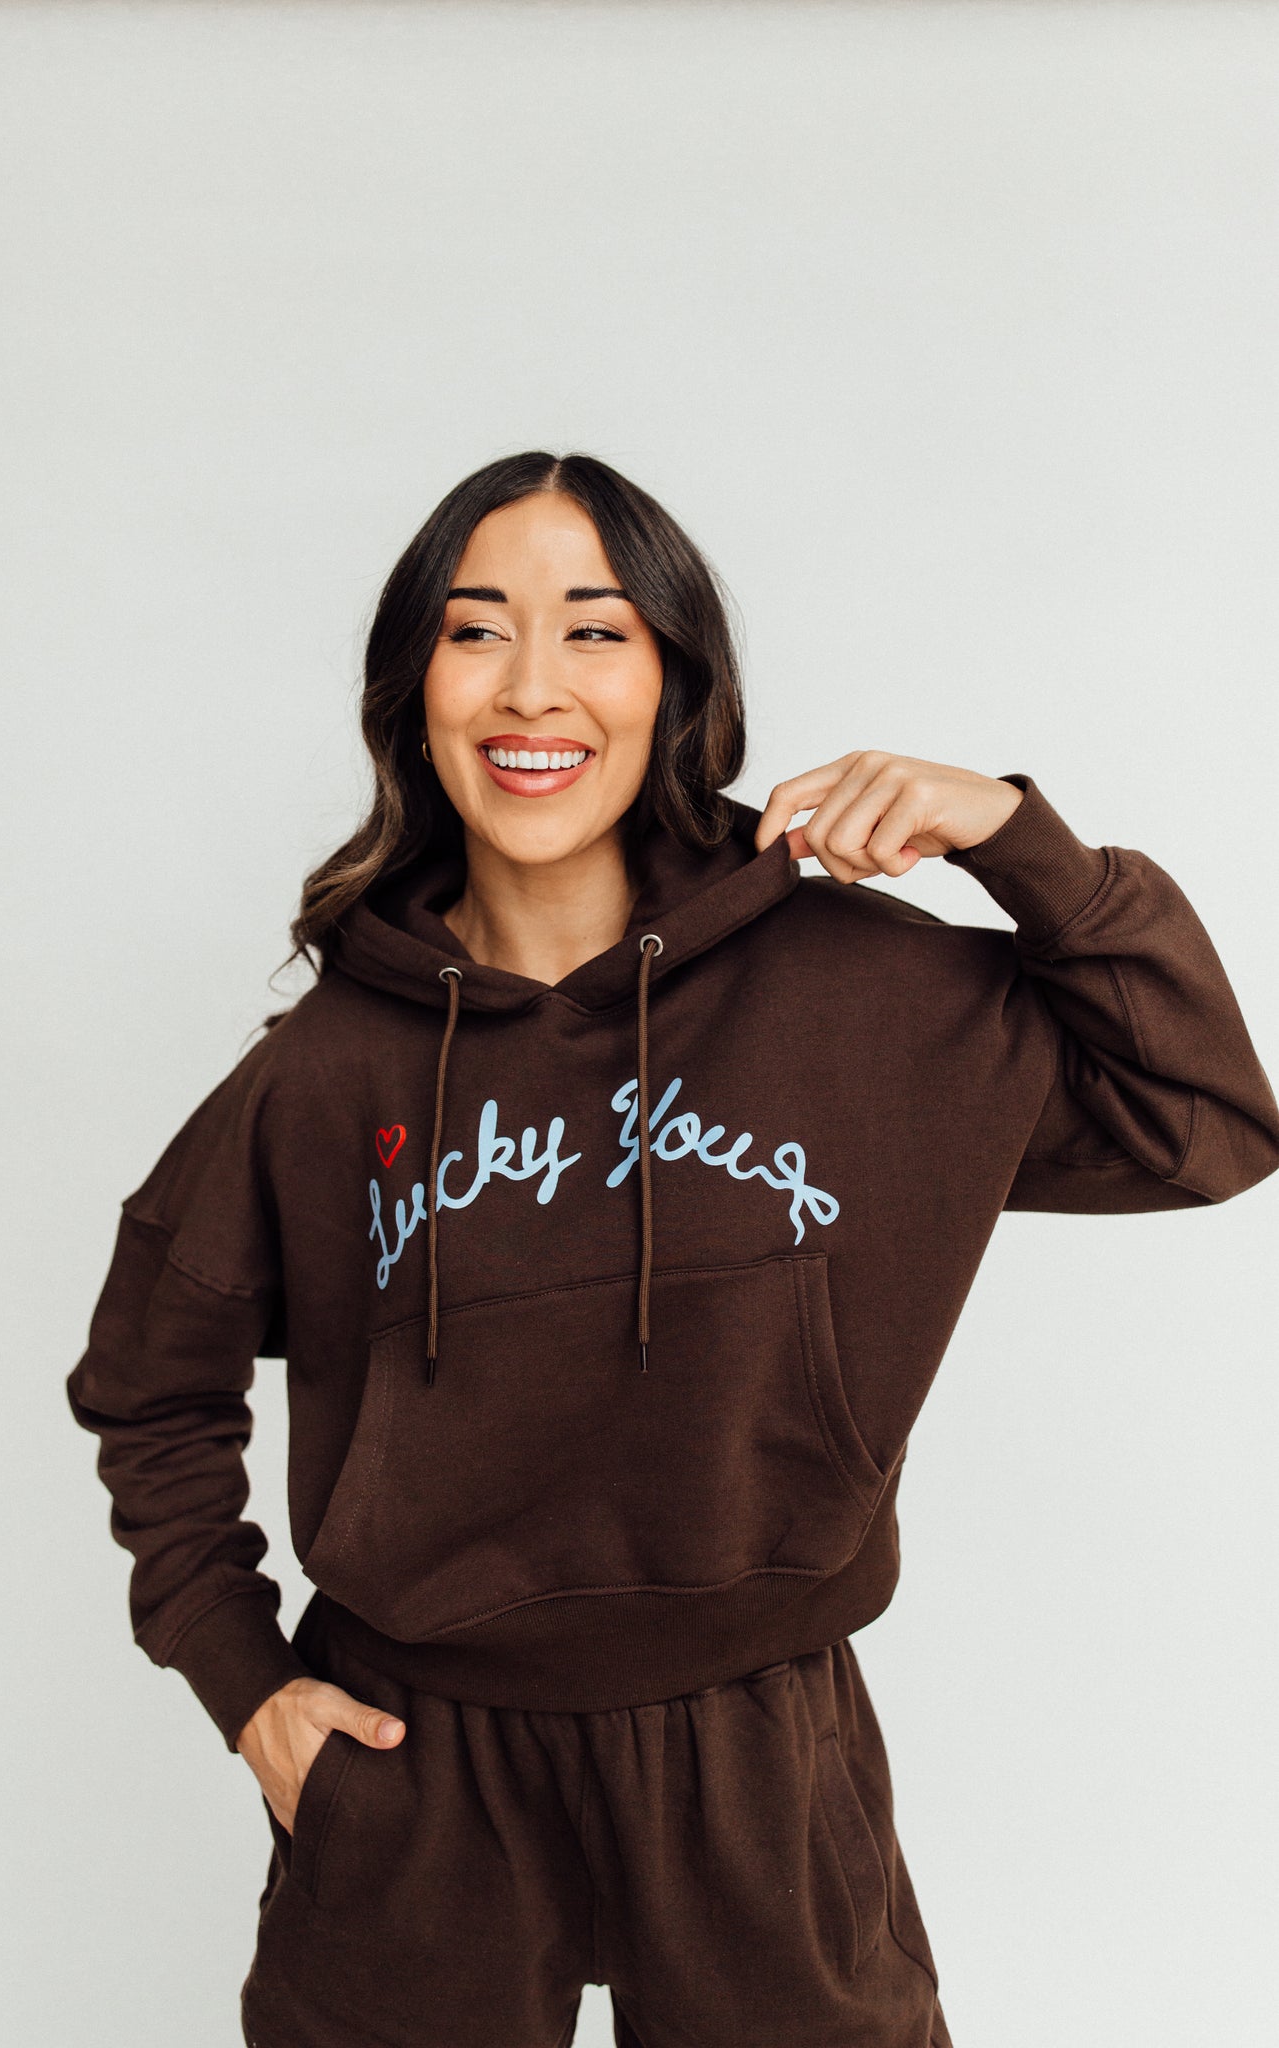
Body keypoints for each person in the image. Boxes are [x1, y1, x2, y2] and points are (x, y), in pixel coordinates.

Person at [66, 449, 1279, 2048]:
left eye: (595, 630)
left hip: (756, 1754)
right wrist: (245, 1686)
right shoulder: (328, 1066)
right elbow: (147, 1385)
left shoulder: (854, 992)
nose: (531, 686)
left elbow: (1203, 1122)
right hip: (416, 1768)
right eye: (474, 630)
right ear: (413, 688)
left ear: (674, 684)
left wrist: (1012, 839)